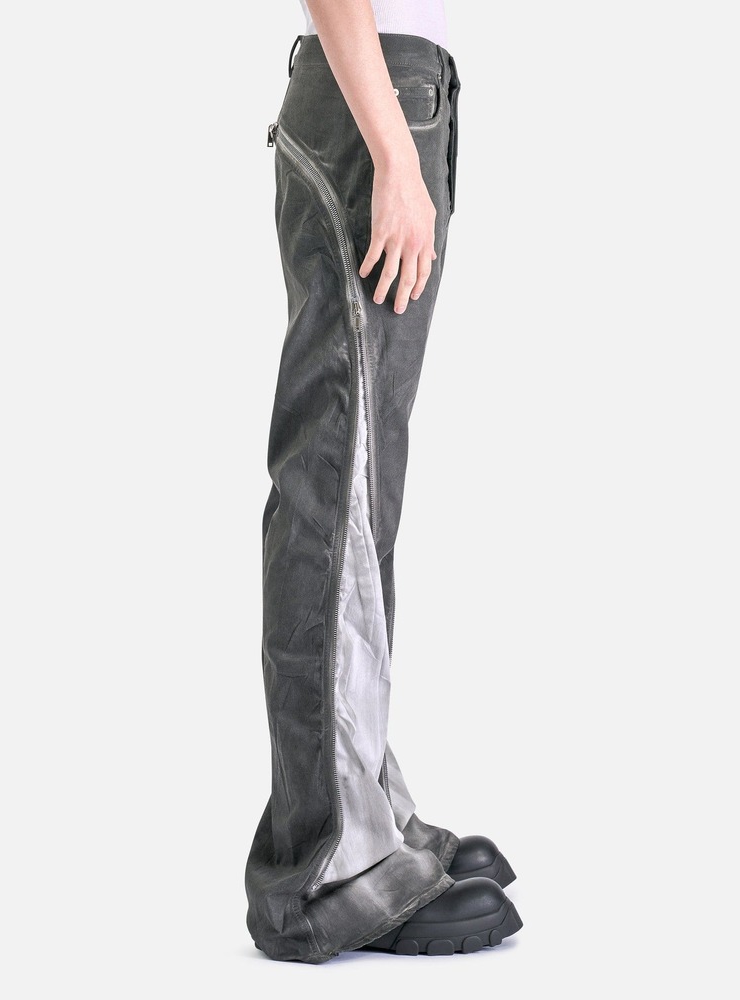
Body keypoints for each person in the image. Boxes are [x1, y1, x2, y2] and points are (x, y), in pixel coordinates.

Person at [245, 0, 523, 963]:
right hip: (373, 110)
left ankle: (366, 813)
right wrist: (395, 152)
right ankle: (326, 867)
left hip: (394, 98)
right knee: (333, 487)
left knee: (363, 491)